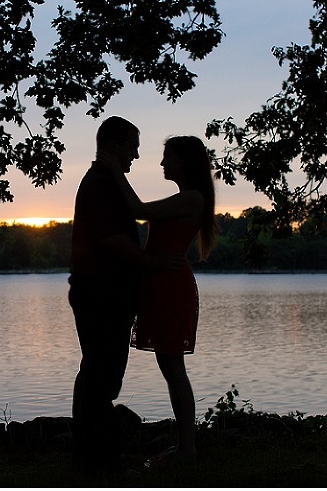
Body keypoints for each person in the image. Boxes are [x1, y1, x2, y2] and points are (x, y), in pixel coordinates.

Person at [69, 116, 184, 477]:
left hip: (103, 292)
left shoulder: (105, 181)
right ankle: (103, 463)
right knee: (101, 376)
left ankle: (91, 457)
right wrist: (152, 263)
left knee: (96, 374)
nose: (136, 154)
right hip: (100, 294)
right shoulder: (101, 183)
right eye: (133, 145)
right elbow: (112, 241)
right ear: (116, 145)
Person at [100, 135, 218, 467]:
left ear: (186, 162)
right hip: (160, 284)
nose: (163, 164)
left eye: (169, 158)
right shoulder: (186, 198)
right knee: (170, 367)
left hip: (171, 287)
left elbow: (137, 210)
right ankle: (185, 447)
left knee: (174, 368)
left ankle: (187, 450)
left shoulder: (192, 199)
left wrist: (115, 170)